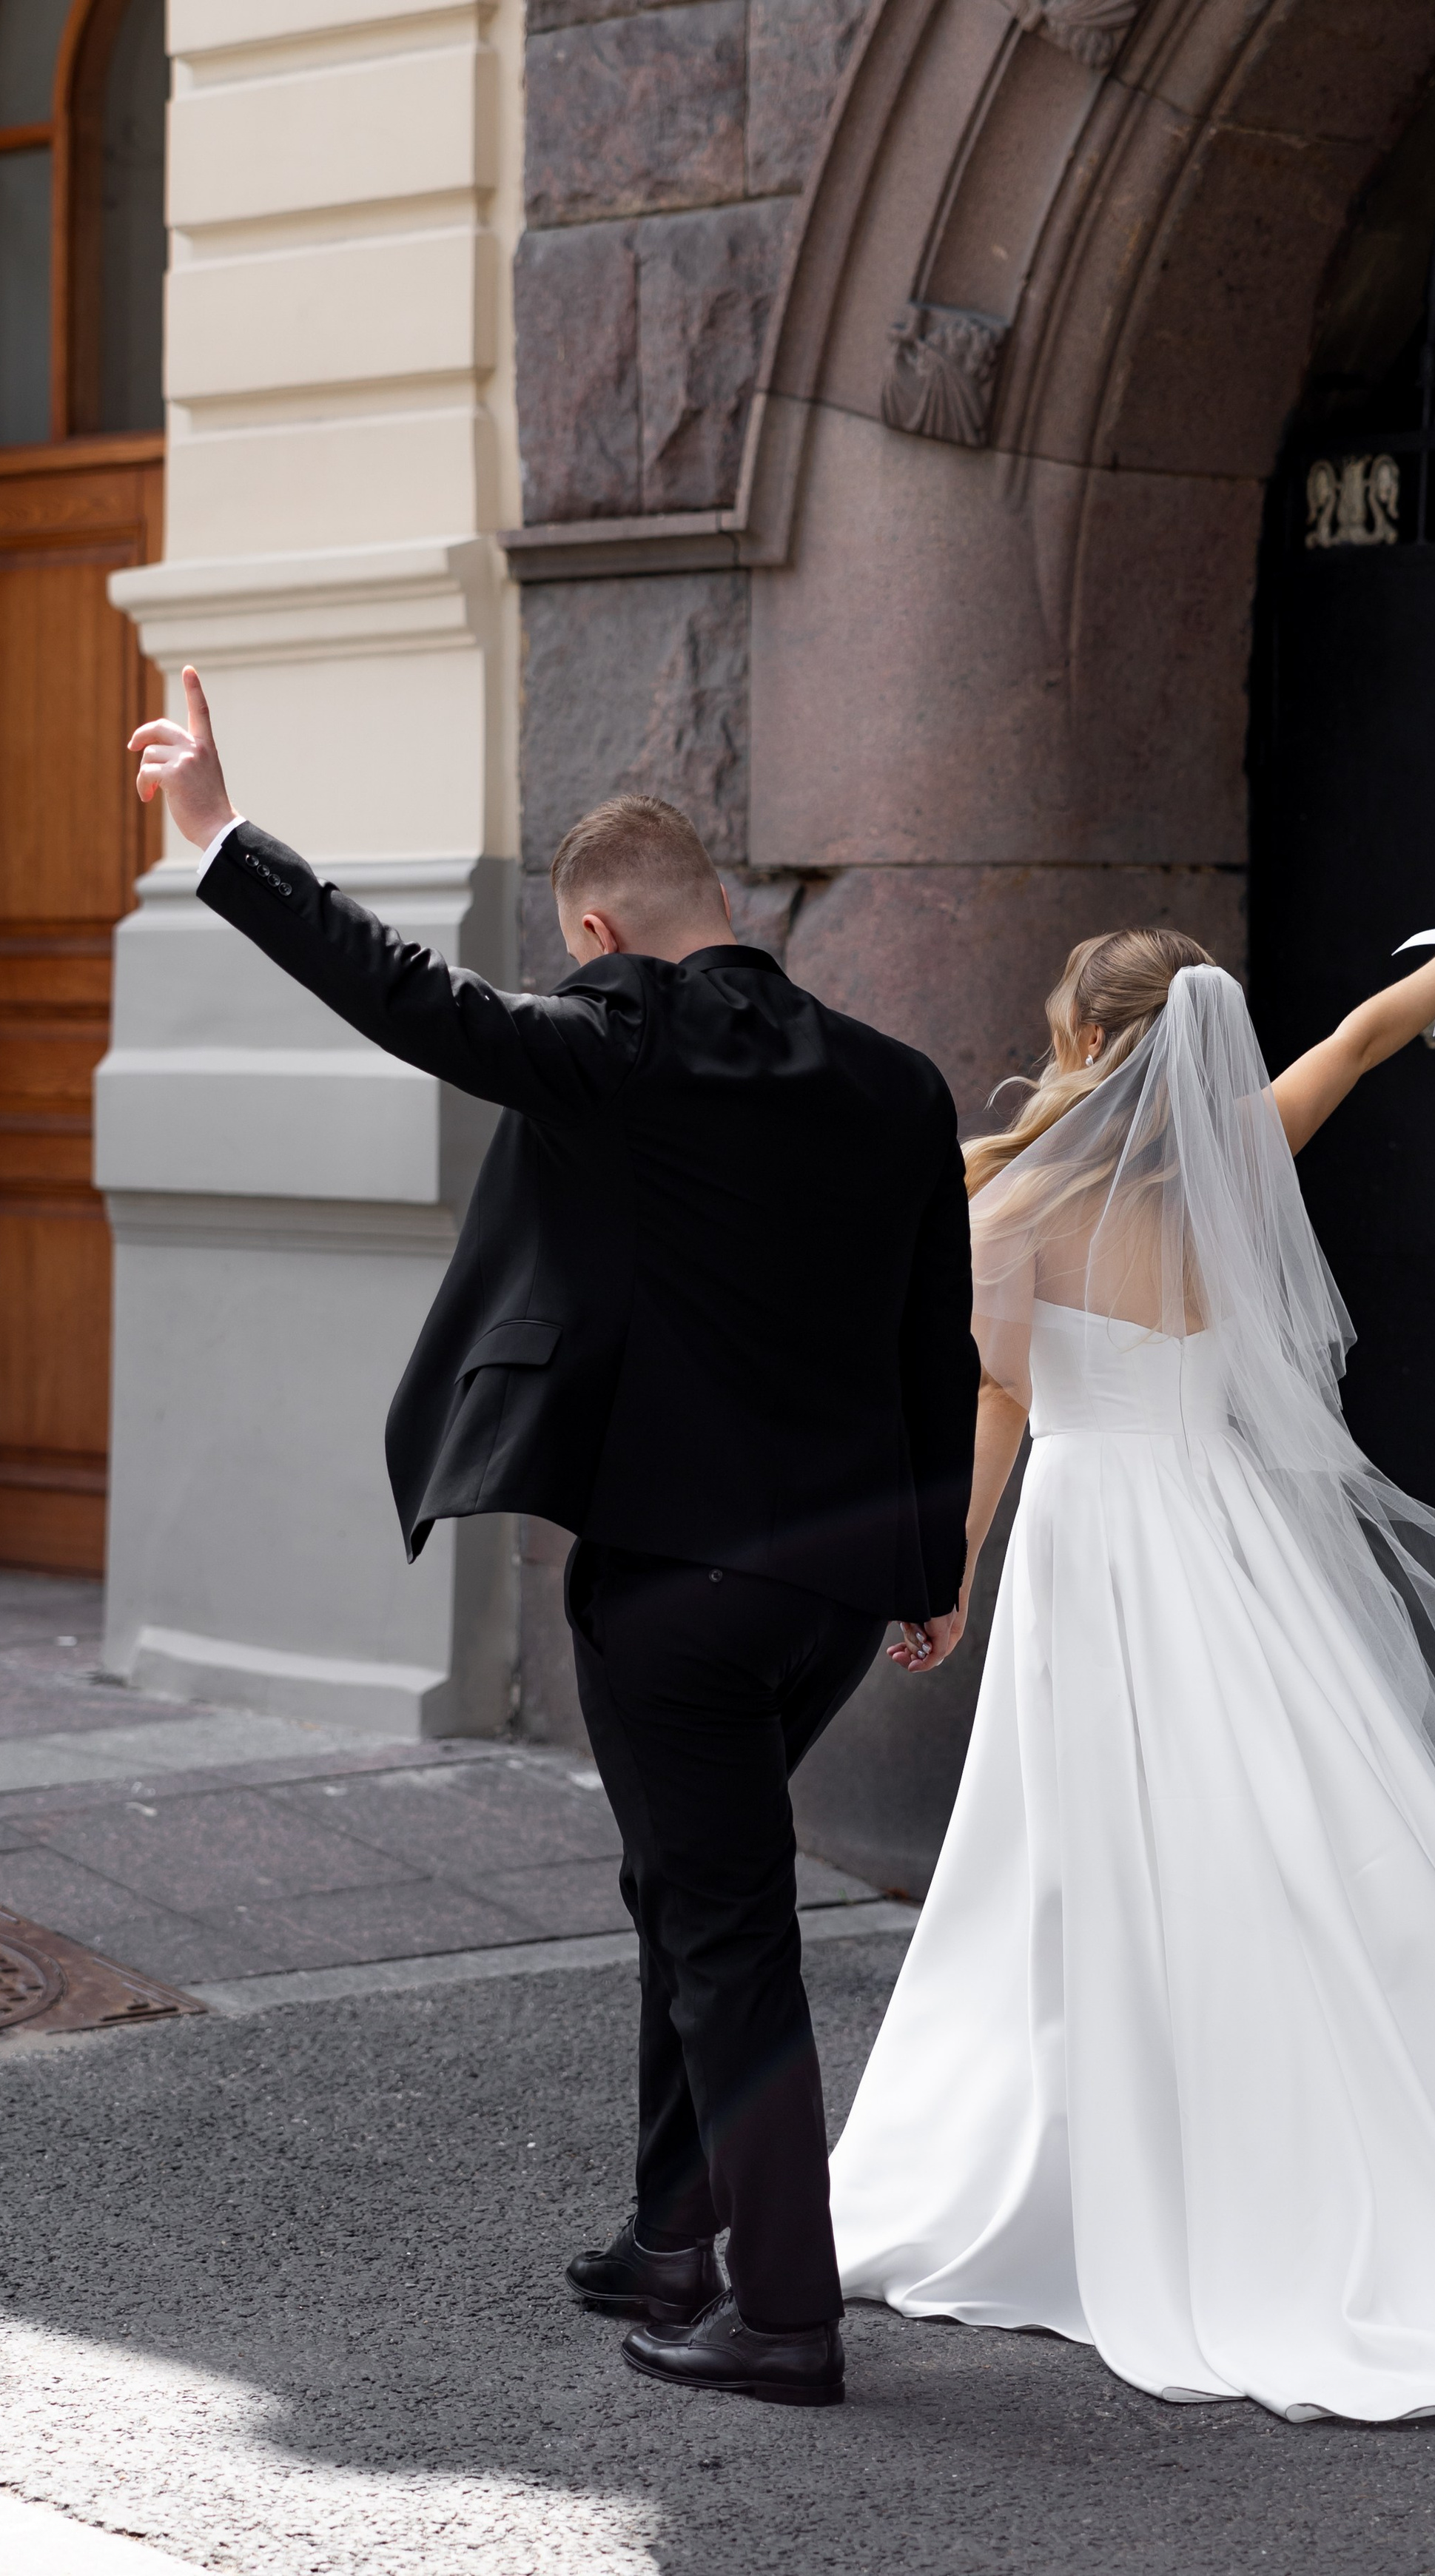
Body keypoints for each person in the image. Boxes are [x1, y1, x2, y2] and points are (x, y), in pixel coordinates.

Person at [831, 897, 1435, 2448]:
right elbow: (1365, 1029)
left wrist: (939, 1572)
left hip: (1096, 1547)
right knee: (1292, 1835)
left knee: (1083, 1853)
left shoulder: (1006, 1213)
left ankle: (1112, 2153)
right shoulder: (1236, 1162)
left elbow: (999, 1409)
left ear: (1083, 1044)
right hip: (1231, 1543)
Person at [130, 668, 977, 2410]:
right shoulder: (897, 1088)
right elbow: (934, 1343)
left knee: (721, 1917)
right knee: (689, 1883)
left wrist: (220, 838)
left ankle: (784, 2310)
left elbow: (411, 995)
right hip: (829, 1588)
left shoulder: (618, 1044)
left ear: (598, 930)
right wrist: (934, 1567)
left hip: (673, 1585)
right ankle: (676, 2232)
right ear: (721, 917)